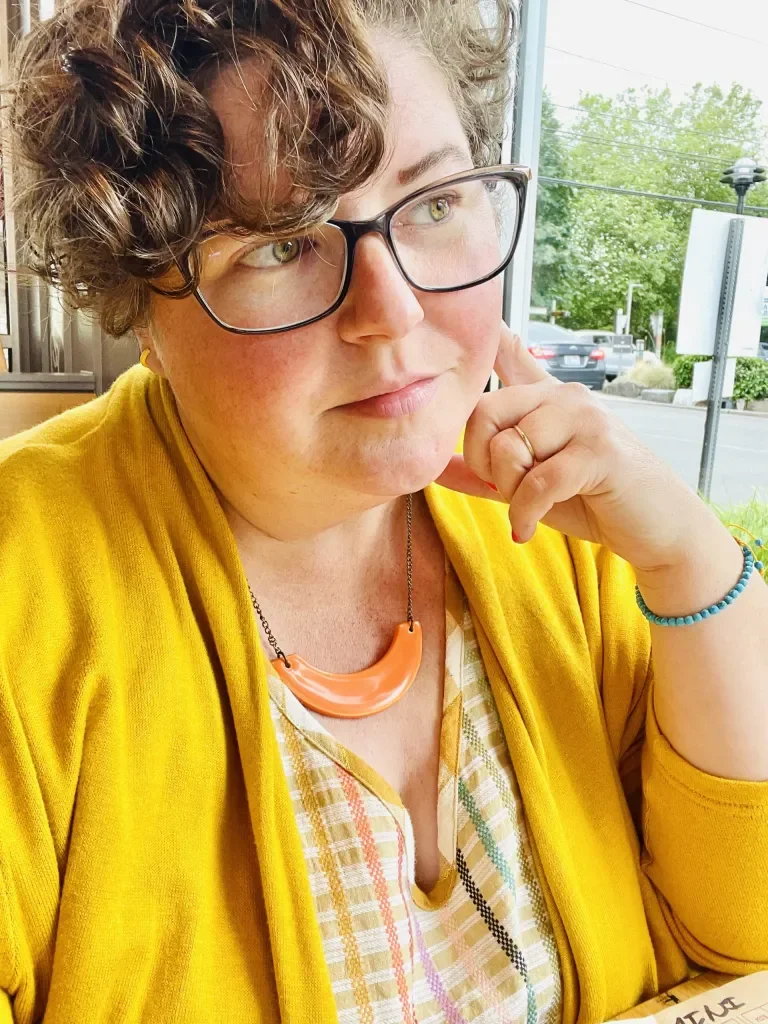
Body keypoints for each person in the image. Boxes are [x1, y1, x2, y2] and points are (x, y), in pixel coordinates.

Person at [0, 0, 766, 1021]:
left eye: (435, 204)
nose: (393, 312)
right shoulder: (24, 594)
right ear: (138, 305)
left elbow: (742, 938)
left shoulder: (563, 526)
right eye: (280, 245)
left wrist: (691, 564)